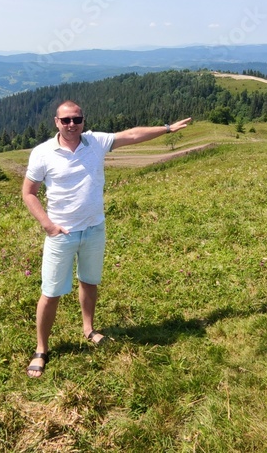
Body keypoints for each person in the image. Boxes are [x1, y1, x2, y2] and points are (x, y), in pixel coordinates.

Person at [21, 101, 191, 377]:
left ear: (83, 120)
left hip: (94, 229)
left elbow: (133, 135)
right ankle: (41, 348)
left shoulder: (96, 142)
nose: (72, 124)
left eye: (77, 119)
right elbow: (29, 192)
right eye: (66, 120)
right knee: (51, 293)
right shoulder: (42, 153)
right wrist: (48, 225)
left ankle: (88, 329)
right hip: (61, 235)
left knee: (90, 282)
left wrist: (168, 129)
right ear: (56, 122)